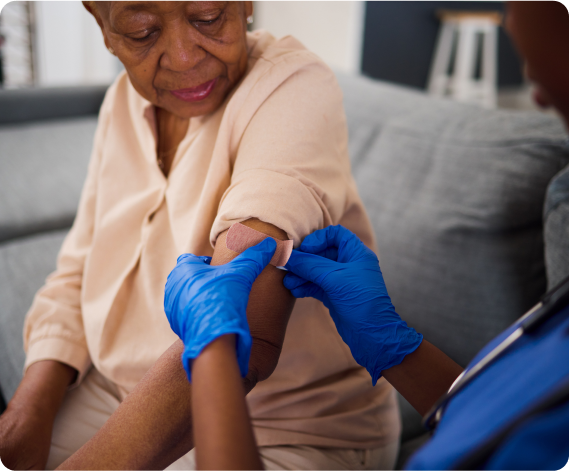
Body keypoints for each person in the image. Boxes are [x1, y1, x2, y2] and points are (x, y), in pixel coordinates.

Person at [162, 0, 569, 470]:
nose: (536, 97)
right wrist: (401, 350)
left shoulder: (293, 84)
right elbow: (504, 426)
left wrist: (212, 350)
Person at [0, 0, 401, 470]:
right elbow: (78, 267)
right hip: (116, 387)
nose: (184, 58)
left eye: (208, 18)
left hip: (288, 426)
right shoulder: (122, 104)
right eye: (142, 32)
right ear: (102, 28)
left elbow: (246, 317)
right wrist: (29, 410)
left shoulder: (293, 85)